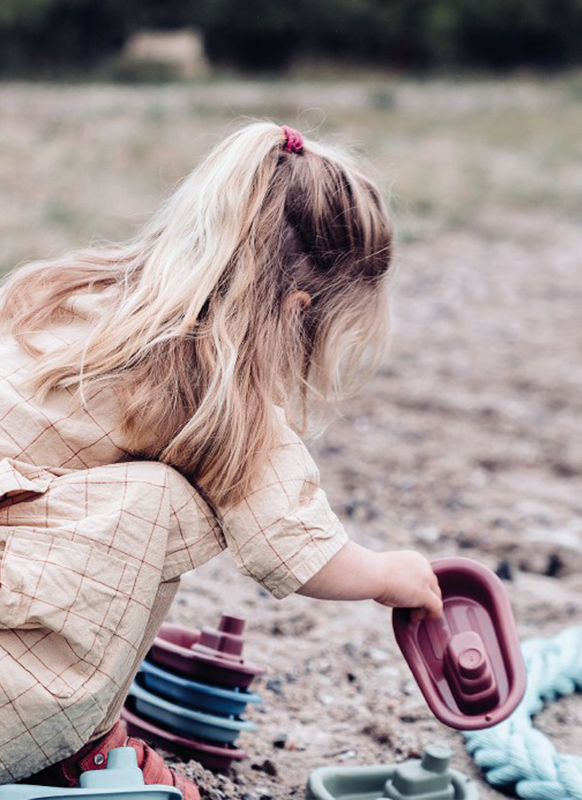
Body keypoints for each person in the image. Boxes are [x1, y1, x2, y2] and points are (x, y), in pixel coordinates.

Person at [0, 122, 442, 798]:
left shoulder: (67, 298)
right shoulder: (215, 393)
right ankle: (76, 741)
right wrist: (391, 575)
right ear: (296, 311)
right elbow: (298, 548)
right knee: (160, 501)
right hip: (10, 695)